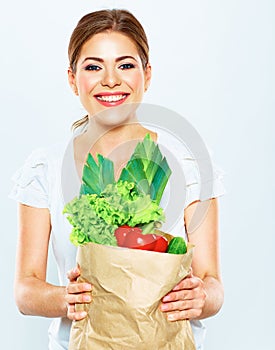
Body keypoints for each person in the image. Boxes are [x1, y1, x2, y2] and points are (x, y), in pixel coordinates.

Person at [10, 9, 225, 350]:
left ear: (147, 74)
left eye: (125, 65)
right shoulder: (45, 168)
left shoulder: (189, 162)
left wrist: (200, 296)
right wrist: (67, 298)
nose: (111, 80)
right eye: (93, 66)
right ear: (72, 78)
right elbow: (25, 289)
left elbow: (213, 283)